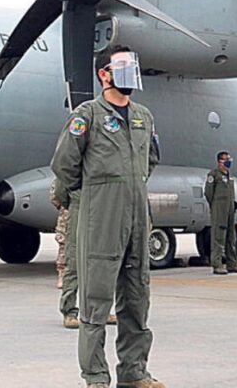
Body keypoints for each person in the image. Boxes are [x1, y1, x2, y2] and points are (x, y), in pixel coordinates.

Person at [51, 46, 163, 388]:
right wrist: (93, 198)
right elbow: (64, 165)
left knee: (136, 297)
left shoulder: (144, 116)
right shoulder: (88, 115)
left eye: (133, 65)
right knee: (96, 300)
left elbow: (151, 159)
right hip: (102, 215)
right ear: (104, 74)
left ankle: (133, 371)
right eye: (123, 66)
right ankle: (96, 376)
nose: (131, 71)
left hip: (137, 216)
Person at [52, 179, 119, 329]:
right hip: (79, 202)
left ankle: (101, 310)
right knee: (74, 260)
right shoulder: (76, 155)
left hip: (102, 204)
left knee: (103, 260)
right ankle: (69, 311)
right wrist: (75, 199)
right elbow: (61, 183)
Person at [205, 151, 237, 275]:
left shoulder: (229, 176)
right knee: (218, 237)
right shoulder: (214, 175)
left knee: (231, 237)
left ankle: (232, 264)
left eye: (229, 158)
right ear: (219, 161)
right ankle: (217, 264)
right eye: (226, 159)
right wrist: (216, 206)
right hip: (219, 209)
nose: (229, 161)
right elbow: (208, 193)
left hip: (230, 209)